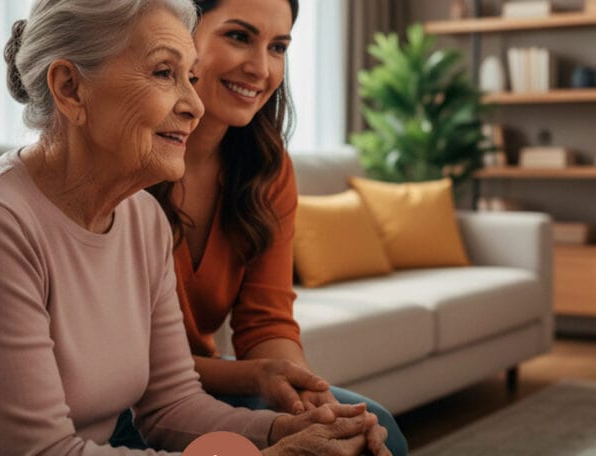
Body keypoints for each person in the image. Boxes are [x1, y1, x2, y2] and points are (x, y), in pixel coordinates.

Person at [0, 0, 384, 455]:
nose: (195, 105)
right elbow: (41, 452)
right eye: (163, 73)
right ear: (69, 88)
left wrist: (284, 430)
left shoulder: (142, 218)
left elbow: (171, 403)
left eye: (190, 75)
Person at [145, 0, 409, 454]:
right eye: (239, 37)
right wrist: (258, 377)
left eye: (278, 47)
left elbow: (266, 322)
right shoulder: (129, 161)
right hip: (132, 398)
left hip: (202, 382)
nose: (261, 68)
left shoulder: (267, 171)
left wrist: (311, 399)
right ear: (178, 34)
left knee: (371, 429)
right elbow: (125, 365)